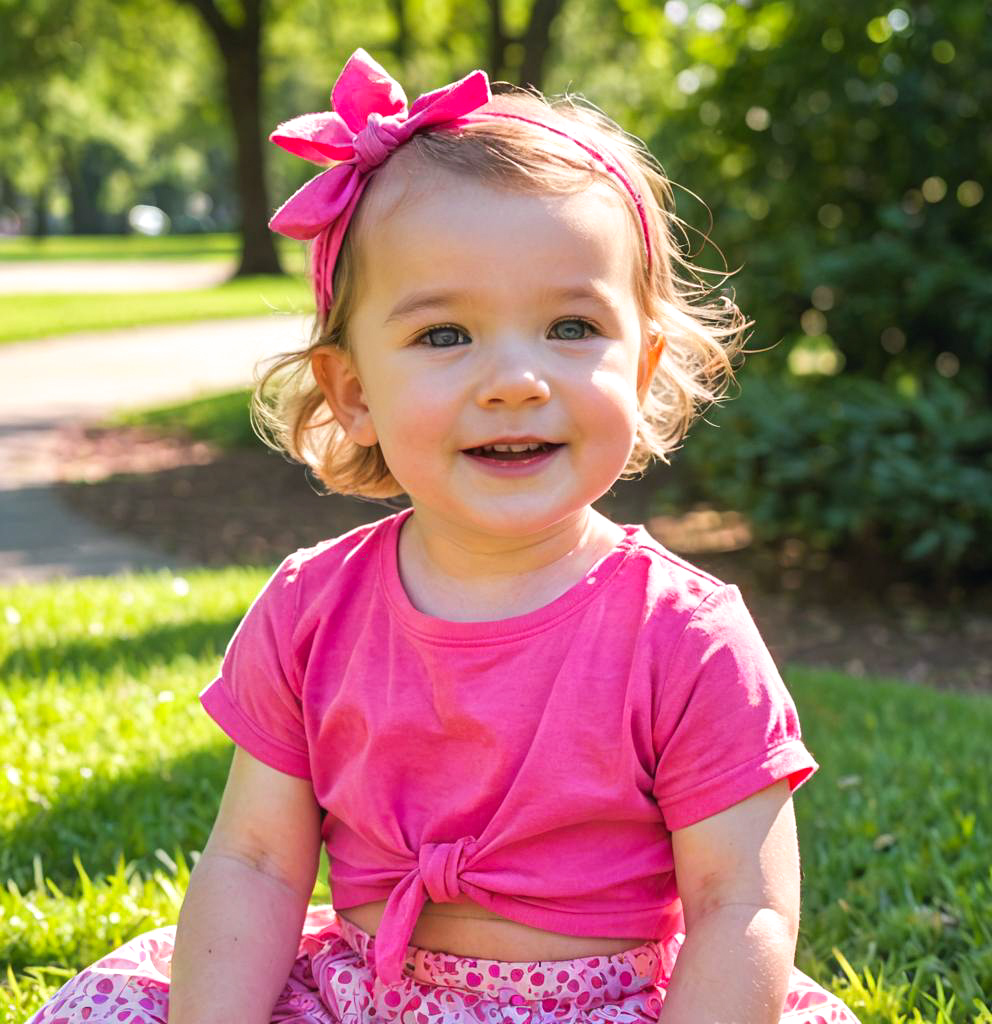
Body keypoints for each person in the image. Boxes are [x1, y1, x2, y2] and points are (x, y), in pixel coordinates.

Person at [27, 49, 859, 1024]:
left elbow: (742, 905)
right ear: (352, 392)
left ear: (641, 371)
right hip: (366, 992)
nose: (514, 378)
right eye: (444, 336)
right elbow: (254, 861)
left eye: (570, 326)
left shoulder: (686, 635)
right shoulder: (311, 609)